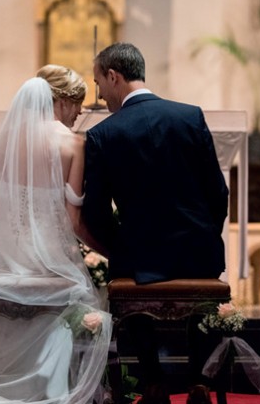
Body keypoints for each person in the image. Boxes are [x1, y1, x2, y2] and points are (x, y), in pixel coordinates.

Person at [82, 42, 228, 387]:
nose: (101, 96)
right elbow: (218, 192)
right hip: (199, 253)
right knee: (201, 311)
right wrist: (206, 234)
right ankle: (199, 383)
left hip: (140, 259)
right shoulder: (190, 115)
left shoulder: (103, 134)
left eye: (99, 84)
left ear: (113, 76)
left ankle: (152, 385)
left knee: (125, 290)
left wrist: (118, 247)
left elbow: (96, 211)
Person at [0, 65, 112, 403]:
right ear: (59, 100)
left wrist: (14, 243)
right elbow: (73, 222)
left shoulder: (4, 144)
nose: (79, 112)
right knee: (88, 299)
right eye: (76, 102)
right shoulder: (73, 144)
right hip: (51, 261)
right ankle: (51, 390)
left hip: (4, 259)